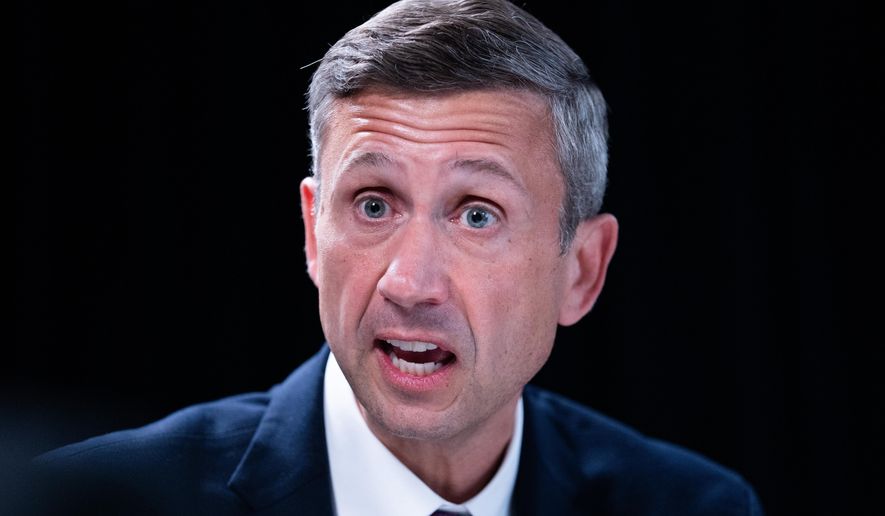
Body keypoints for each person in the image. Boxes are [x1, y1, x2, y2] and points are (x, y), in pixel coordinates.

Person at [33, 1, 763, 514]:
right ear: (314, 234)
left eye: (477, 215)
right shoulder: (99, 500)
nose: (409, 284)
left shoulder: (691, 505)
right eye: (374, 204)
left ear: (581, 271)